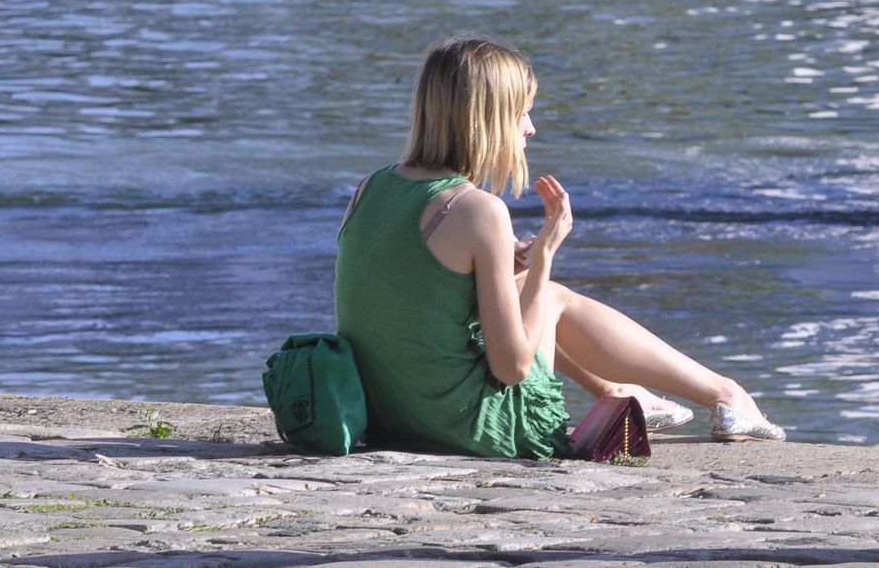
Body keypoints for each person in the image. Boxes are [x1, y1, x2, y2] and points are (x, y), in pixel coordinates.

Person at [334, 34, 786, 459]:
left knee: (518, 285)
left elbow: (415, 293)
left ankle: (621, 394)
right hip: (470, 430)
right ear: (484, 119)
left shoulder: (368, 188)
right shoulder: (476, 209)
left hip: (387, 420)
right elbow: (511, 368)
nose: (530, 128)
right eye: (521, 113)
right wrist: (546, 254)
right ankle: (725, 394)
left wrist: (503, 267)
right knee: (547, 295)